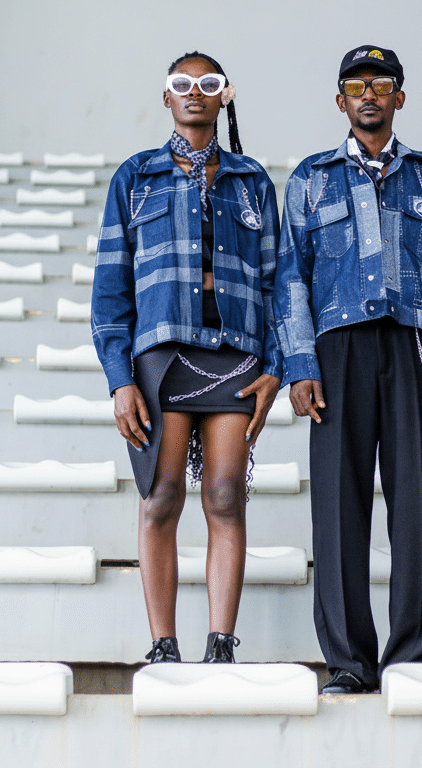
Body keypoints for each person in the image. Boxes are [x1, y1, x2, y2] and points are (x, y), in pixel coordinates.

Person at [274, 45, 422, 694]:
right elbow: (290, 278)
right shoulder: (311, 178)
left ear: (400, 97)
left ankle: (411, 658)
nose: (369, 93)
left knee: (416, 505)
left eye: (382, 83)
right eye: (356, 85)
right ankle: (348, 662)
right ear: (340, 100)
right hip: (336, 352)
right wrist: (299, 363)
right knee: (338, 507)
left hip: (414, 346)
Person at [92, 52, 282, 664]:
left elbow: (277, 283)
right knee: (162, 496)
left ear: (225, 95)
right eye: (182, 83)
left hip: (235, 352)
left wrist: (275, 366)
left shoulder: (252, 180)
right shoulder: (135, 178)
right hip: (162, 355)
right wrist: (120, 380)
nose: (194, 91)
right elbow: (111, 290)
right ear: (167, 97)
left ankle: (221, 645)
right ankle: (163, 645)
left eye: (208, 83)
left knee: (225, 494)